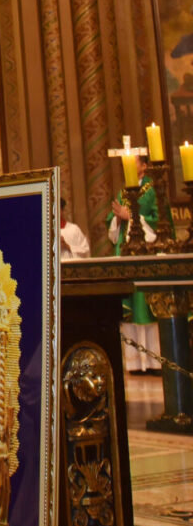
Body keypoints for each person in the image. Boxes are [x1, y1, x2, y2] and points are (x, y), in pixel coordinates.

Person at [107, 156, 161, 371]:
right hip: (127, 252)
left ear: (144, 166)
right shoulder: (122, 193)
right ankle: (136, 364)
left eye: (134, 162)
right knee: (131, 309)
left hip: (145, 253)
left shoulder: (152, 190)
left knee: (145, 307)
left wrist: (131, 215)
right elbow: (112, 225)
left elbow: (158, 218)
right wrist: (118, 218)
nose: (128, 165)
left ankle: (154, 362)